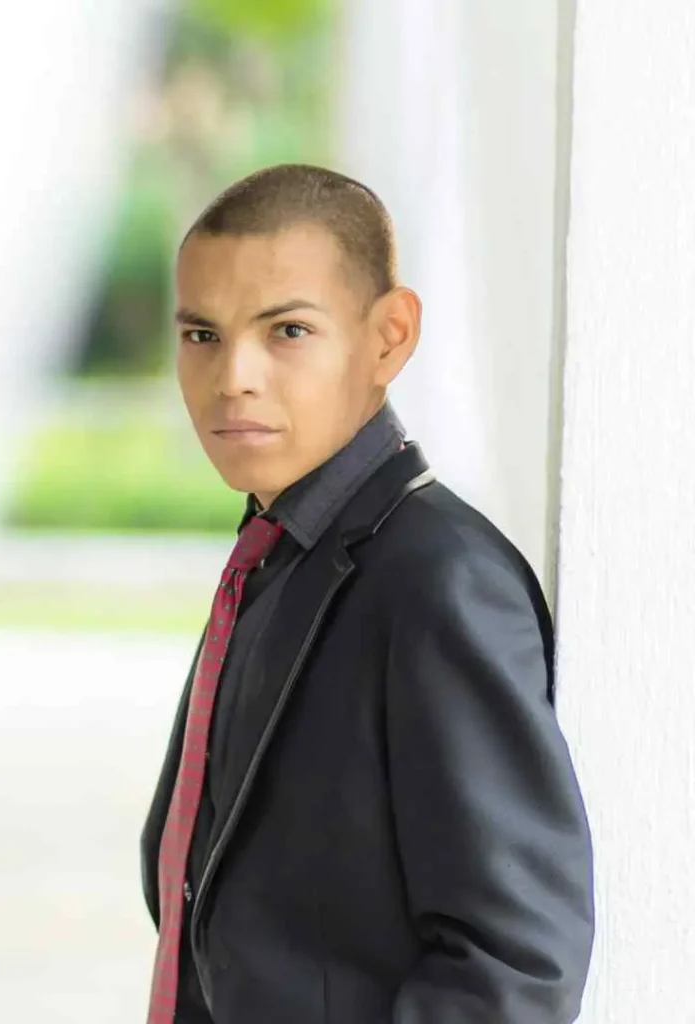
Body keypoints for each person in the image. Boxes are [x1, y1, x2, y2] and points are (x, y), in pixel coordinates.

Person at [140, 164, 594, 1023]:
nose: (233, 376)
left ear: (388, 336)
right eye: (202, 335)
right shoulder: (273, 557)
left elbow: (514, 963)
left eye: (287, 331)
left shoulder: (438, 581)